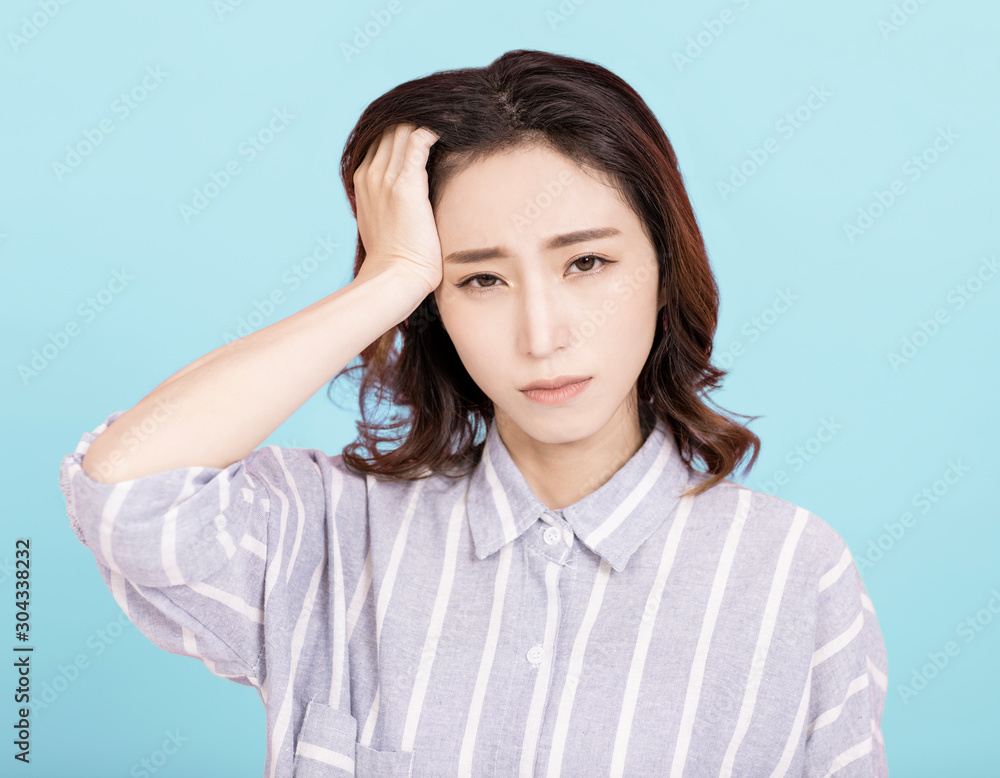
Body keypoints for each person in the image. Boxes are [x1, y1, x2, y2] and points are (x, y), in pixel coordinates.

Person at [59, 49, 888, 777]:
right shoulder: (328, 532)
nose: (542, 335)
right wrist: (387, 277)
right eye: (480, 279)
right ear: (434, 308)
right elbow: (128, 491)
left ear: (666, 269)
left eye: (586, 263)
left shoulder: (792, 574)